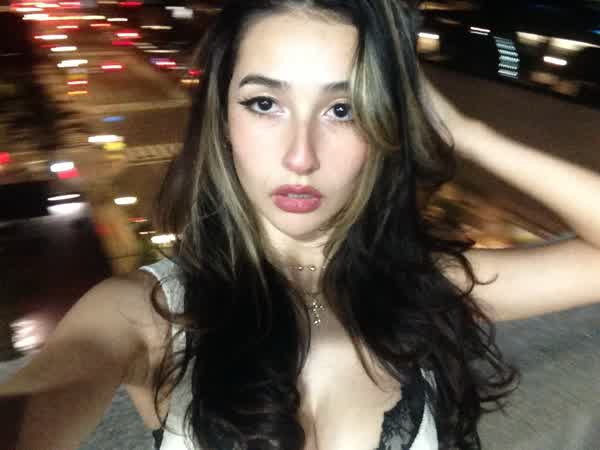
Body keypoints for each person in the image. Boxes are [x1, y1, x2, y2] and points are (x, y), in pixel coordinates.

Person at [2, 1, 600, 449]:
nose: (301, 156)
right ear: (222, 118)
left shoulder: (424, 284)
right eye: (265, 104)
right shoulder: (144, 313)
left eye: (343, 109)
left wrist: (463, 131)